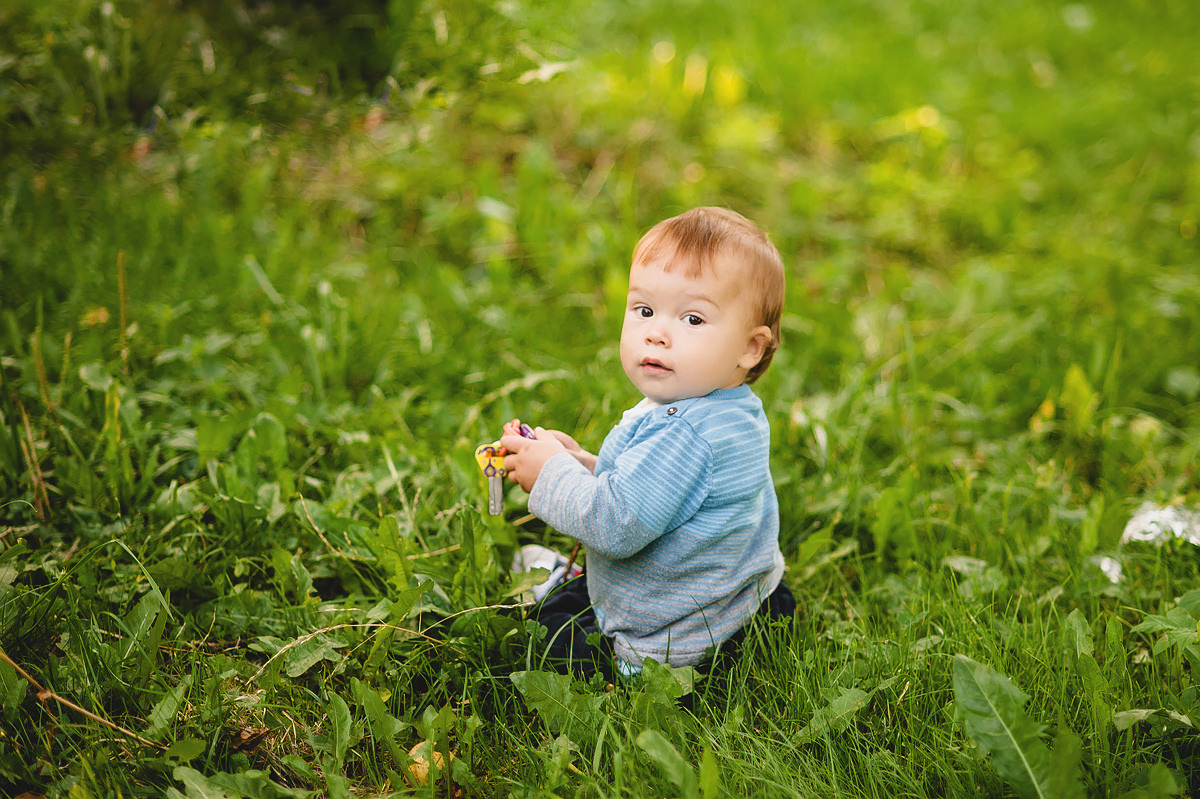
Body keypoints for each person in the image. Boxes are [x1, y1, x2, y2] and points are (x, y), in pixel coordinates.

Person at [499, 206, 794, 678]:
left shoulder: (688, 433)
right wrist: (576, 464)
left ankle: (606, 636)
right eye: (644, 310)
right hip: (736, 596)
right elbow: (662, 494)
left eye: (693, 319)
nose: (656, 333)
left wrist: (550, 476)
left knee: (553, 631)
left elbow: (616, 526)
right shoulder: (729, 410)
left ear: (750, 348)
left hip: (668, 633)